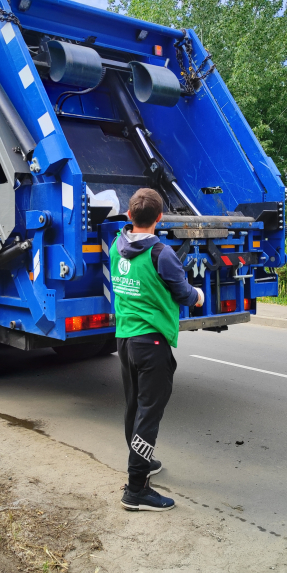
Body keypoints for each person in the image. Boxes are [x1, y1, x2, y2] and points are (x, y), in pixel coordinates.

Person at [111, 188, 204, 511]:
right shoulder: (161, 254)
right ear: (160, 219)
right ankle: (136, 489)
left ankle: (143, 461)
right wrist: (199, 296)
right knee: (149, 414)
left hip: (124, 339)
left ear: (128, 216)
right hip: (151, 343)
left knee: (134, 407)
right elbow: (183, 294)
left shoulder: (116, 246)